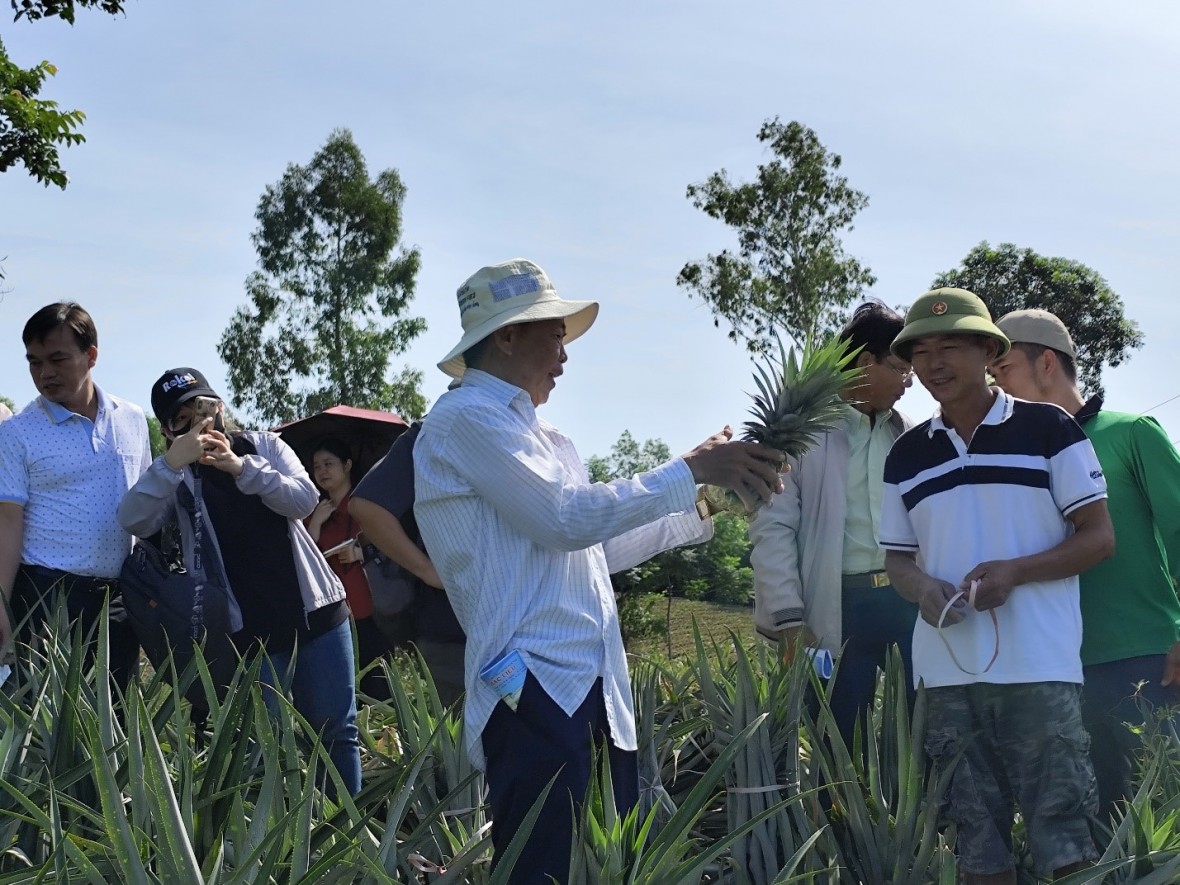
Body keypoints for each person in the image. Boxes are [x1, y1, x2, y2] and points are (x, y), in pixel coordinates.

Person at [413, 258, 786, 884]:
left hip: (587, 681)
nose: (564, 351)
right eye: (553, 333)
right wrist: (688, 470)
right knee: (541, 866)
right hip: (530, 679)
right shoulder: (464, 420)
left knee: (596, 863)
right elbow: (565, 518)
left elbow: (588, 552)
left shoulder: (544, 436)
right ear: (506, 336)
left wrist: (700, 503)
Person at [879, 288, 1114, 885]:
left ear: (989, 350)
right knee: (977, 849)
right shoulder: (906, 454)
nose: (933, 363)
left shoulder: (1049, 428)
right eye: (921, 351)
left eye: (950, 346)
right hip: (945, 675)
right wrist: (921, 590)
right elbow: (898, 561)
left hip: (1039, 667)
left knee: (1067, 842)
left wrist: (1015, 572)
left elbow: (1098, 537)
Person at [117, 368, 361, 797]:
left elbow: (302, 499)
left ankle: (355, 841)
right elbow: (132, 518)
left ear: (220, 406)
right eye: (182, 419)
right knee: (274, 749)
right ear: (168, 430)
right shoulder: (174, 479)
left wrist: (239, 467)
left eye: (204, 408)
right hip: (249, 632)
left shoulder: (262, 445)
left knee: (338, 731)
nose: (199, 423)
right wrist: (172, 462)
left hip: (317, 612)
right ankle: (297, 851)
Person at [991, 308, 1180, 820]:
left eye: (1003, 371)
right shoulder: (1013, 460)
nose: (996, 389)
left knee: (1160, 816)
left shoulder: (1130, 433)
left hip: (1144, 660)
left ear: (1046, 362)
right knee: (1093, 823)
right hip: (1055, 668)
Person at [750, 300, 916, 749]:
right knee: (839, 740)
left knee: (921, 733)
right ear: (866, 362)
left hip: (907, 601)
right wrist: (788, 617)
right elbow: (773, 530)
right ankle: (839, 820)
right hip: (839, 607)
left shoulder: (912, 434)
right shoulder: (801, 434)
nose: (909, 382)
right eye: (902, 369)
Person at [0, 303, 151, 688]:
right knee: (46, 729)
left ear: (91, 355)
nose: (44, 373)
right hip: (46, 598)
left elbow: (149, 504)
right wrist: (1, 605)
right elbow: (7, 521)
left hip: (120, 598)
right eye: (34, 362)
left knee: (115, 726)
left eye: (57, 359)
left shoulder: (131, 419)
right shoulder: (18, 432)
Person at [350, 420, 467, 707]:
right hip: (451, 629)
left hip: (518, 627)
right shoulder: (433, 432)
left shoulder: (529, 434)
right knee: (469, 738)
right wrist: (429, 570)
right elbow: (366, 506)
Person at [305, 436, 390, 701]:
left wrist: (360, 552)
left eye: (329, 464)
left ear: (347, 465)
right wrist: (315, 525)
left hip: (371, 610)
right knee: (345, 692)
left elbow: (392, 546)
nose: (322, 471)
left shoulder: (368, 504)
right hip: (333, 615)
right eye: (316, 466)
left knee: (379, 691)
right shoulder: (312, 512)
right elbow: (303, 561)